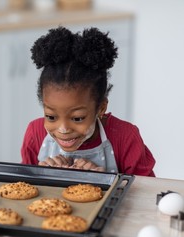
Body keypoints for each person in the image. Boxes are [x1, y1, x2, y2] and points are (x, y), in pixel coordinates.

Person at [21, 26, 155, 176]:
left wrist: (103, 181)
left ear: (101, 108)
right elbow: (22, 188)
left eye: (77, 118)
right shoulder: (35, 134)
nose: (63, 129)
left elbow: (146, 194)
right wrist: (40, 174)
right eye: (51, 117)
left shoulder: (125, 138)